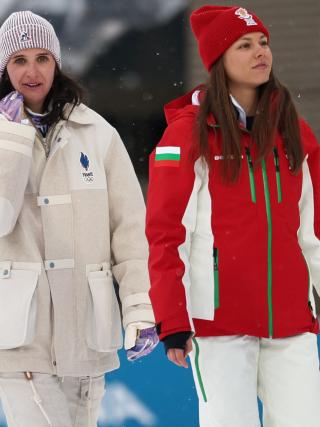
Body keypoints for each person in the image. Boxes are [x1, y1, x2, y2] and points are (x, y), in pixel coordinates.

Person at [0, 11, 158, 426]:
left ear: (57, 64)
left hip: (86, 333)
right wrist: (8, 139)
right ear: (2, 69)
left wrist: (139, 308)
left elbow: (130, 231)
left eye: (43, 57)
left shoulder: (98, 134)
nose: (32, 71)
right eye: (19, 60)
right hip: (19, 335)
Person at [146, 5, 320, 427]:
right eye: (244, 45)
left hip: (291, 320)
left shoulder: (292, 130)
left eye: (263, 42)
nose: (260, 52)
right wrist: (172, 316)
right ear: (218, 59)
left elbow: (313, 227)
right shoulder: (187, 133)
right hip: (219, 324)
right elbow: (166, 232)